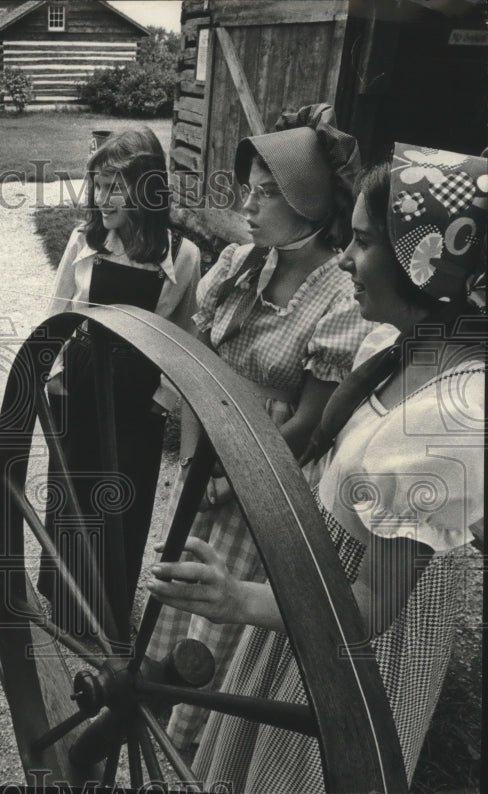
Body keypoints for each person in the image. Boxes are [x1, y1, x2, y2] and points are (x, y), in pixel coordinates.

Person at [146, 143, 486, 794]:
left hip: (348, 648)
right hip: (309, 595)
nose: (347, 259)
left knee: (295, 776)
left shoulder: (448, 417)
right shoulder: (396, 340)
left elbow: (371, 608)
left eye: (363, 243)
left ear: (426, 262)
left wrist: (235, 597)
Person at [145, 104, 376, 749]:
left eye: (269, 193)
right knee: (184, 586)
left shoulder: (338, 297)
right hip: (209, 457)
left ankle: (201, 739)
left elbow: (310, 421)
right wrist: (198, 464)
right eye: (249, 189)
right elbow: (197, 370)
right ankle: (159, 691)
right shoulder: (239, 266)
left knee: (227, 612)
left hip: (269, 476)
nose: (249, 205)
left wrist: (235, 480)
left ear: (309, 204)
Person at [39, 127, 202, 638]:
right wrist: (52, 380)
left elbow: (183, 339)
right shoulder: (83, 242)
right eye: (97, 184)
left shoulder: (184, 256)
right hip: (81, 384)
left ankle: (109, 609)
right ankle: (64, 601)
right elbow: (57, 314)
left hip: (136, 399)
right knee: (72, 494)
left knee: (122, 504)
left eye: (115, 186)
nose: (101, 198)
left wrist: (161, 400)